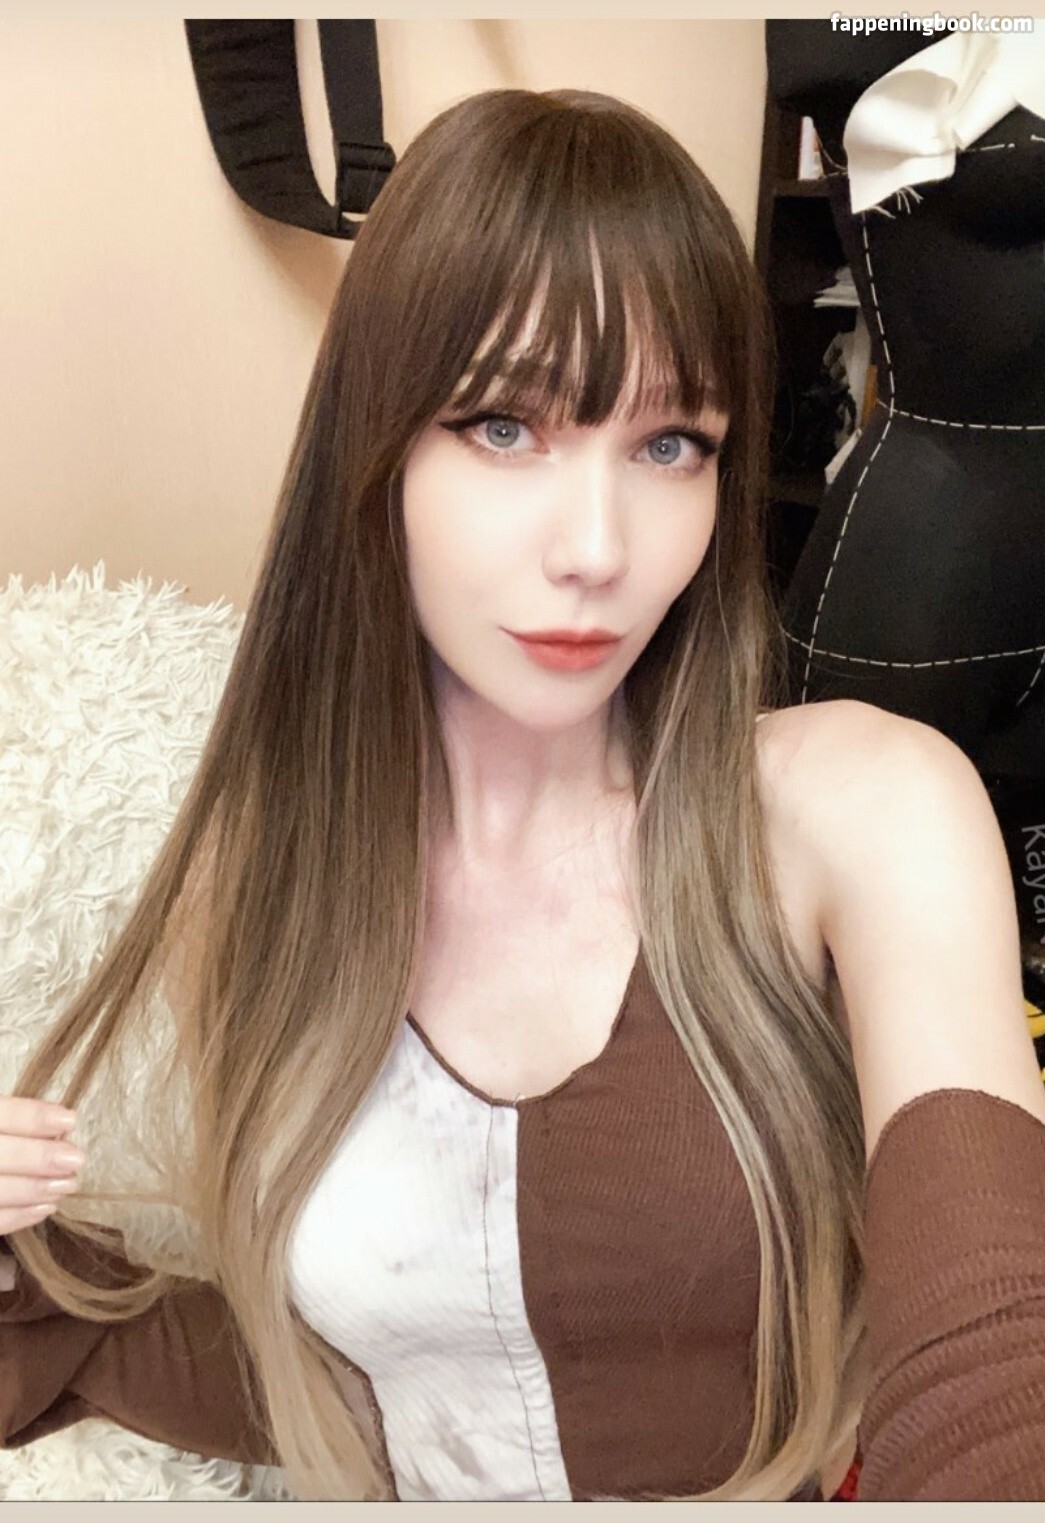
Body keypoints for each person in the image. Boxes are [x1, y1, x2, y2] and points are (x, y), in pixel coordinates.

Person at [2, 86, 1045, 1504]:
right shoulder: (263, 886)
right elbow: (365, 1371)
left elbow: (993, 1351)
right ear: (375, 454)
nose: (597, 548)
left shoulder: (860, 812)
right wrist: (26, 1283)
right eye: (504, 426)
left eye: (670, 444)